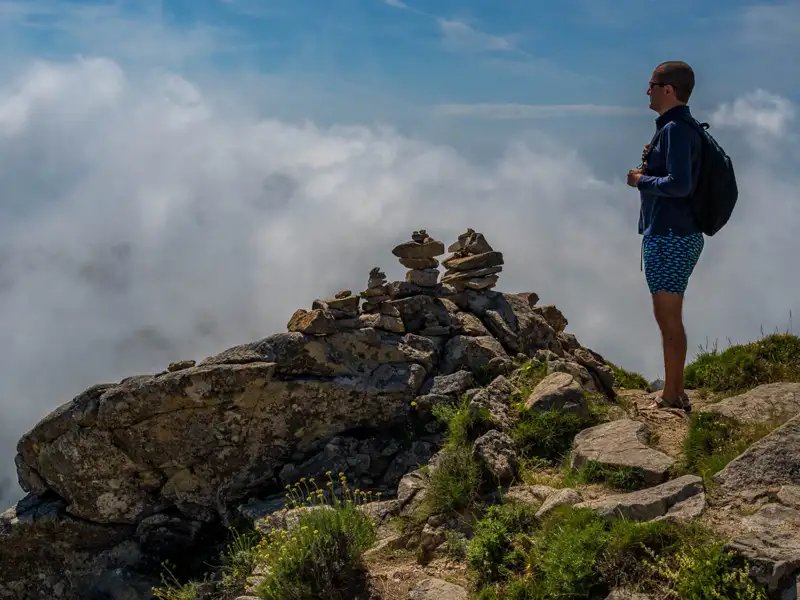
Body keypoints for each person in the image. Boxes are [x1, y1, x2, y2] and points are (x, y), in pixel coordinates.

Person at [626, 61, 704, 412]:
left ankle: (672, 395)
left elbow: (680, 185)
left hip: (671, 236)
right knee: (667, 315)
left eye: (652, 84)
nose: (648, 90)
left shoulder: (676, 129)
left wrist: (640, 180)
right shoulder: (677, 128)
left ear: (668, 90)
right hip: (675, 233)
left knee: (668, 317)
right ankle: (675, 390)